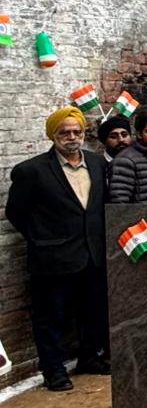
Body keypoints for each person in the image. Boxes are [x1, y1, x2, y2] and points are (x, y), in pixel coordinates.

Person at [5, 108, 109, 390]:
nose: (72, 137)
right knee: (51, 315)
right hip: (52, 257)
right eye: (65, 132)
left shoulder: (98, 164)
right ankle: (54, 369)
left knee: (93, 310)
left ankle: (89, 357)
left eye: (77, 131)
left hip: (93, 253)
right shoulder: (31, 170)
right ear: (53, 135)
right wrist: (44, 238)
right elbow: (16, 212)